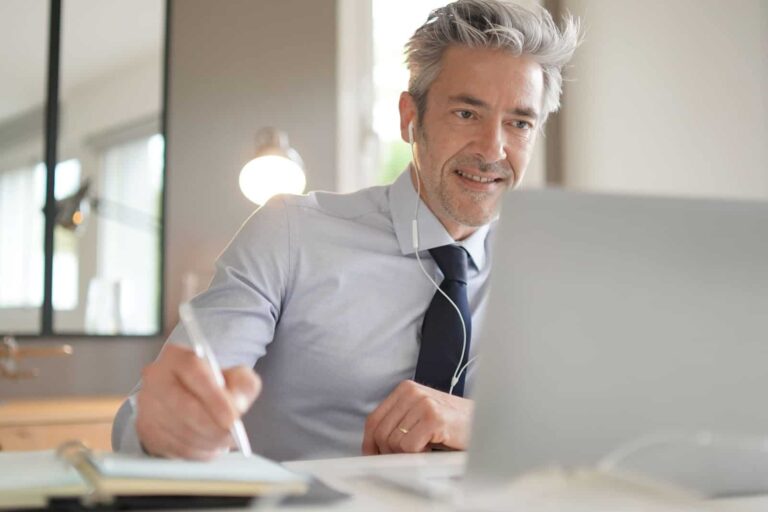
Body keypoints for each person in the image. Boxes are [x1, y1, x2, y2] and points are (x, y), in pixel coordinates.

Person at [112, 0, 580, 462]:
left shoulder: (545, 273)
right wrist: (167, 430)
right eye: (466, 114)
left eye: (519, 123)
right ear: (409, 118)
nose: (492, 149)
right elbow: (144, 419)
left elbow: (594, 436)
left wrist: (477, 422)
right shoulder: (289, 234)